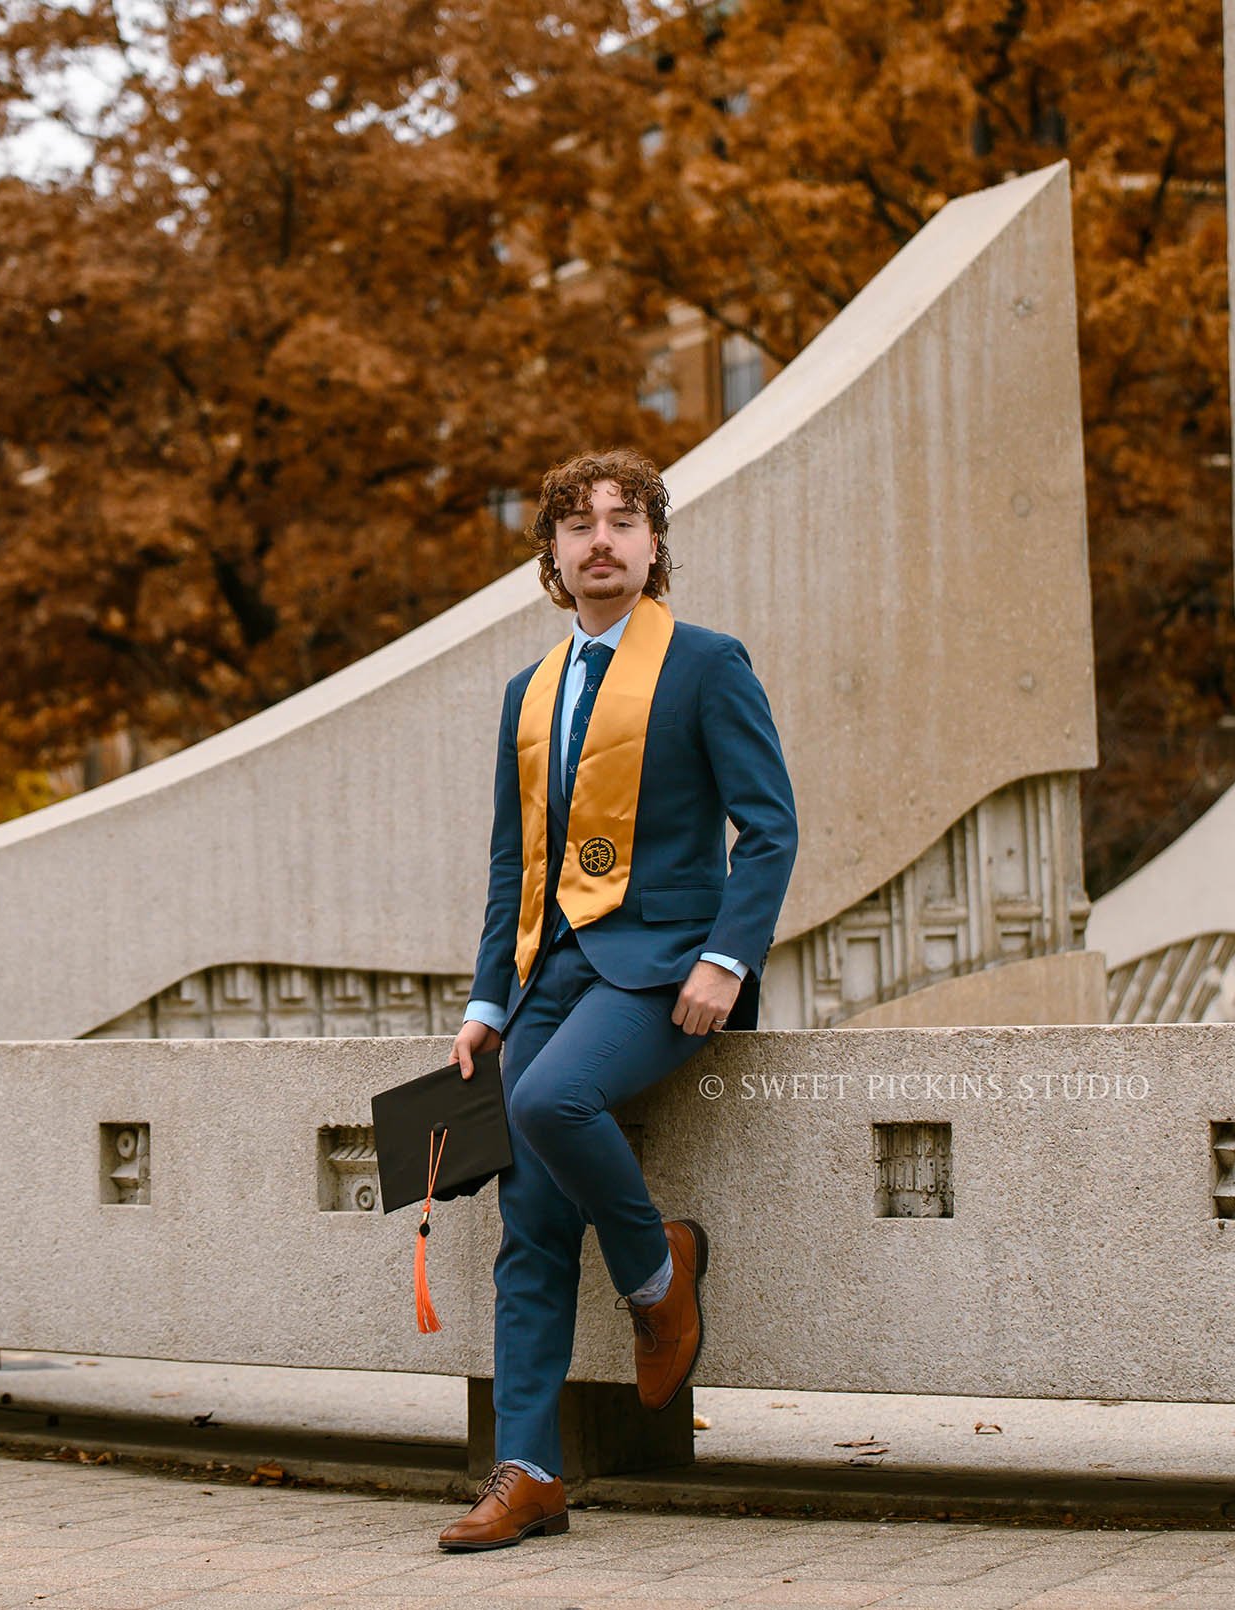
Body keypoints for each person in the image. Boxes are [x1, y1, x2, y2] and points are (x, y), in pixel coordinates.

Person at [438, 448, 798, 1551]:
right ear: (551, 551)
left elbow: (769, 824)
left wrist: (725, 960)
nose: (602, 539)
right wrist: (488, 998)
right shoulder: (529, 692)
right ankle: (531, 1471)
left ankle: (657, 1272)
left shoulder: (703, 663)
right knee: (529, 1223)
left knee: (551, 1102)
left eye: (624, 520)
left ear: (653, 544)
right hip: (552, 970)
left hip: (661, 971)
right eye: (579, 523)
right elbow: (518, 862)